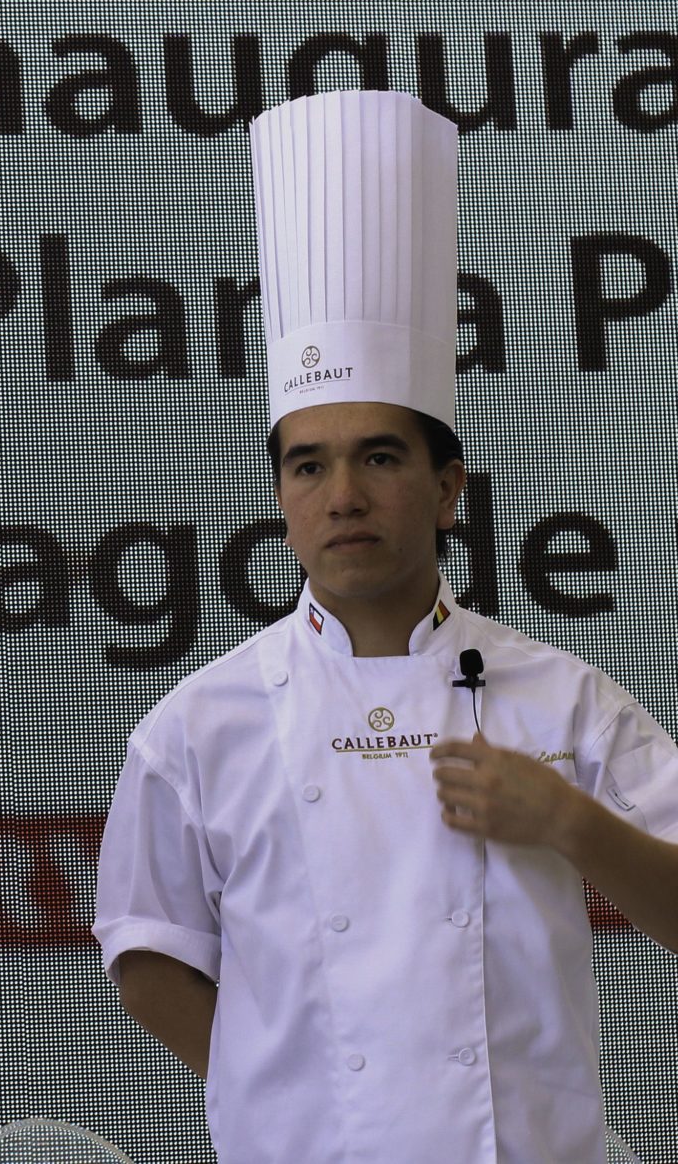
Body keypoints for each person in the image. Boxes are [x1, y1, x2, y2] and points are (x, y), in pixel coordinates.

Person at [92, 90, 678, 1162]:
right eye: (308, 466)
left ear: (448, 488)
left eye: (378, 456)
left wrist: (567, 821)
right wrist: (286, 1103)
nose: (343, 497)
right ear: (280, 497)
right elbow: (147, 957)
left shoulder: (560, 698)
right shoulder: (195, 727)